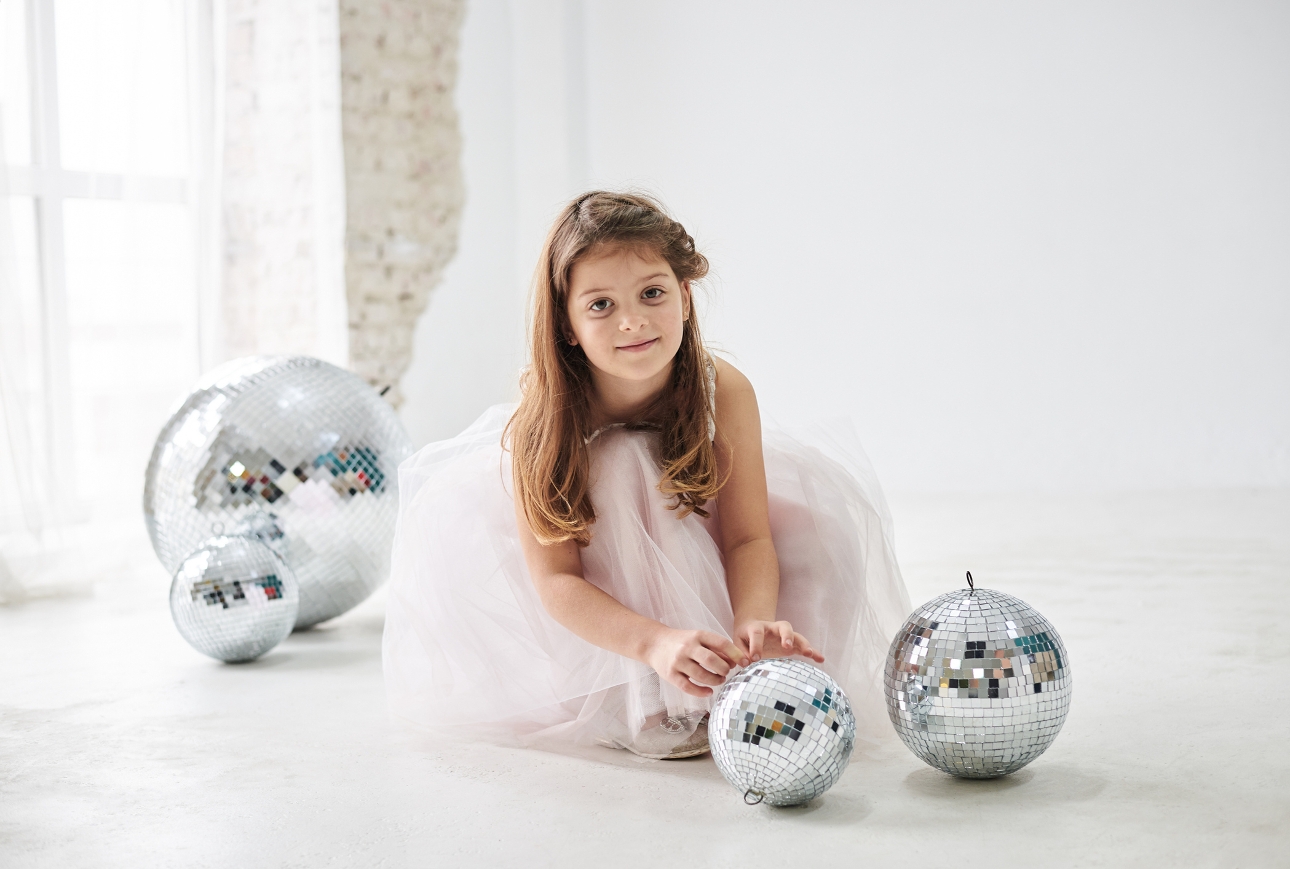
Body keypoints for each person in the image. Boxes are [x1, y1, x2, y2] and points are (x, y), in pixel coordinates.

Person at [383, 191, 910, 759]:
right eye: (601, 305)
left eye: (652, 293)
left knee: (816, 528)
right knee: (622, 463)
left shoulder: (722, 388)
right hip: (596, 559)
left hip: (696, 514)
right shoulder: (545, 418)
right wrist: (655, 643)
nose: (632, 320)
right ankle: (634, 692)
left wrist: (753, 619)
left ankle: (727, 669)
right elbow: (558, 582)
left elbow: (747, 536)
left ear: (684, 296)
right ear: (567, 323)